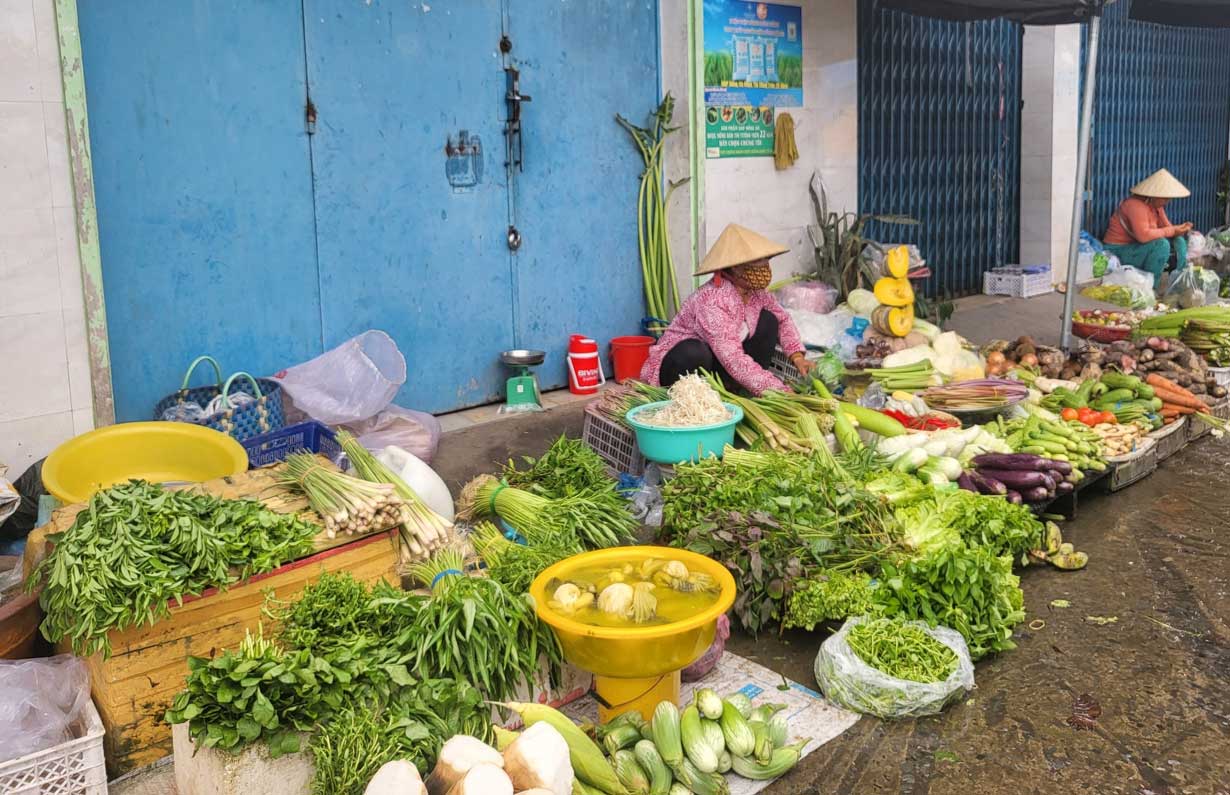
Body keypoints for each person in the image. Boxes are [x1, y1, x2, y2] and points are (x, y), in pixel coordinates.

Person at [640, 223, 811, 395]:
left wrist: (797, 356)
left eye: (767, 260)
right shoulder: (712, 300)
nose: (765, 267)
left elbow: (783, 319)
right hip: (682, 366)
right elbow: (733, 359)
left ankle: (740, 390)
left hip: (721, 363)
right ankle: (690, 396)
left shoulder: (757, 293)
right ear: (737, 267)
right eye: (759, 261)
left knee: (769, 320)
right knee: (695, 352)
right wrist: (779, 391)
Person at [1102, 169, 1193, 290]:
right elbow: (1143, 236)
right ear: (1154, 195)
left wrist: (1180, 230)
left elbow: (1168, 229)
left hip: (1138, 248)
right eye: (1165, 198)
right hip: (1118, 251)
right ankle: (1150, 288)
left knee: (1179, 241)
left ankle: (1177, 285)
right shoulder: (1134, 205)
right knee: (1161, 245)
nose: (1168, 202)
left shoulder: (1156, 207)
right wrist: (1172, 230)